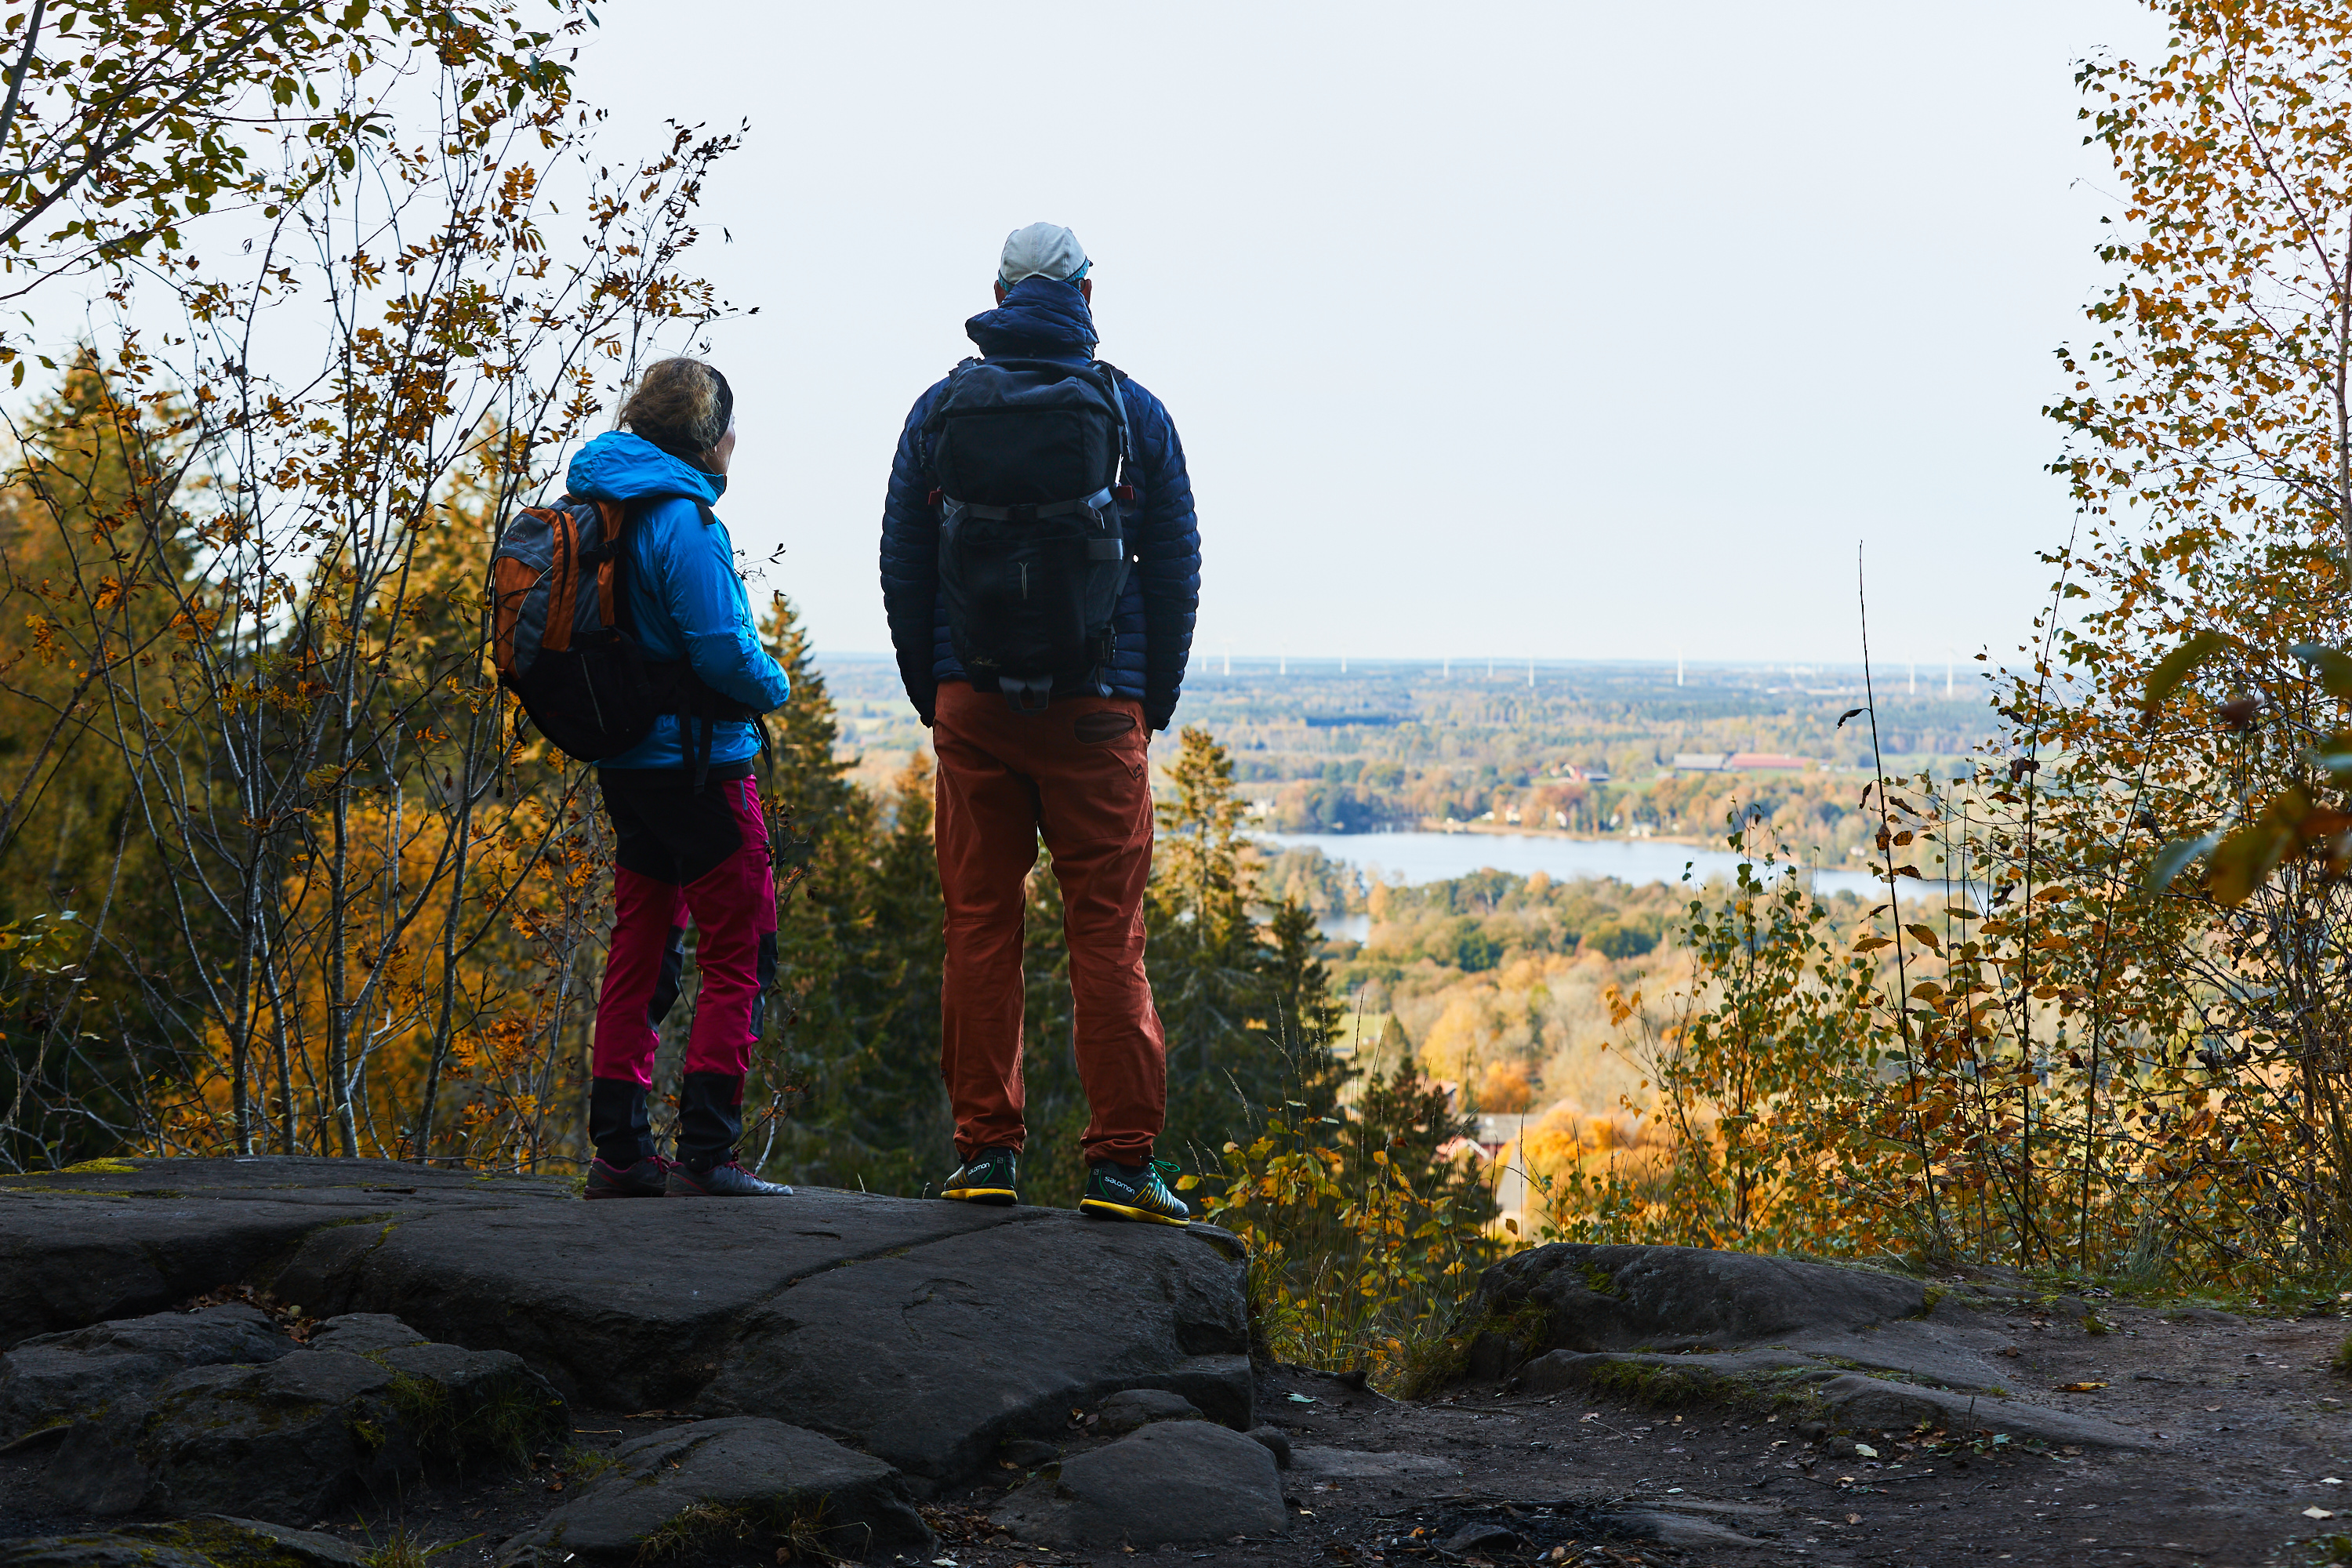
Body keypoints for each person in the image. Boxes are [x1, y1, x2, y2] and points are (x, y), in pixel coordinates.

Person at [878, 223, 1200, 1224]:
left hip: (973, 704)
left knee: (980, 925)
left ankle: (985, 1153)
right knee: (1108, 933)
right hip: (1101, 708)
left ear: (999, 292)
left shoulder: (938, 411)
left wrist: (939, 695)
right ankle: (1117, 1166)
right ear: (1088, 294)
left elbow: (902, 566)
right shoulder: (1133, 412)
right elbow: (1177, 569)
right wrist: (1149, 703)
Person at [575, 357, 797, 1200]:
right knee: (740, 948)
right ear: (710, 437)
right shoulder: (687, 521)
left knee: (641, 940)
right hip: (701, 765)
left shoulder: (599, 503)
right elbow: (721, 650)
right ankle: (709, 1151)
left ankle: (621, 1150)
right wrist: (775, 683)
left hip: (626, 763)